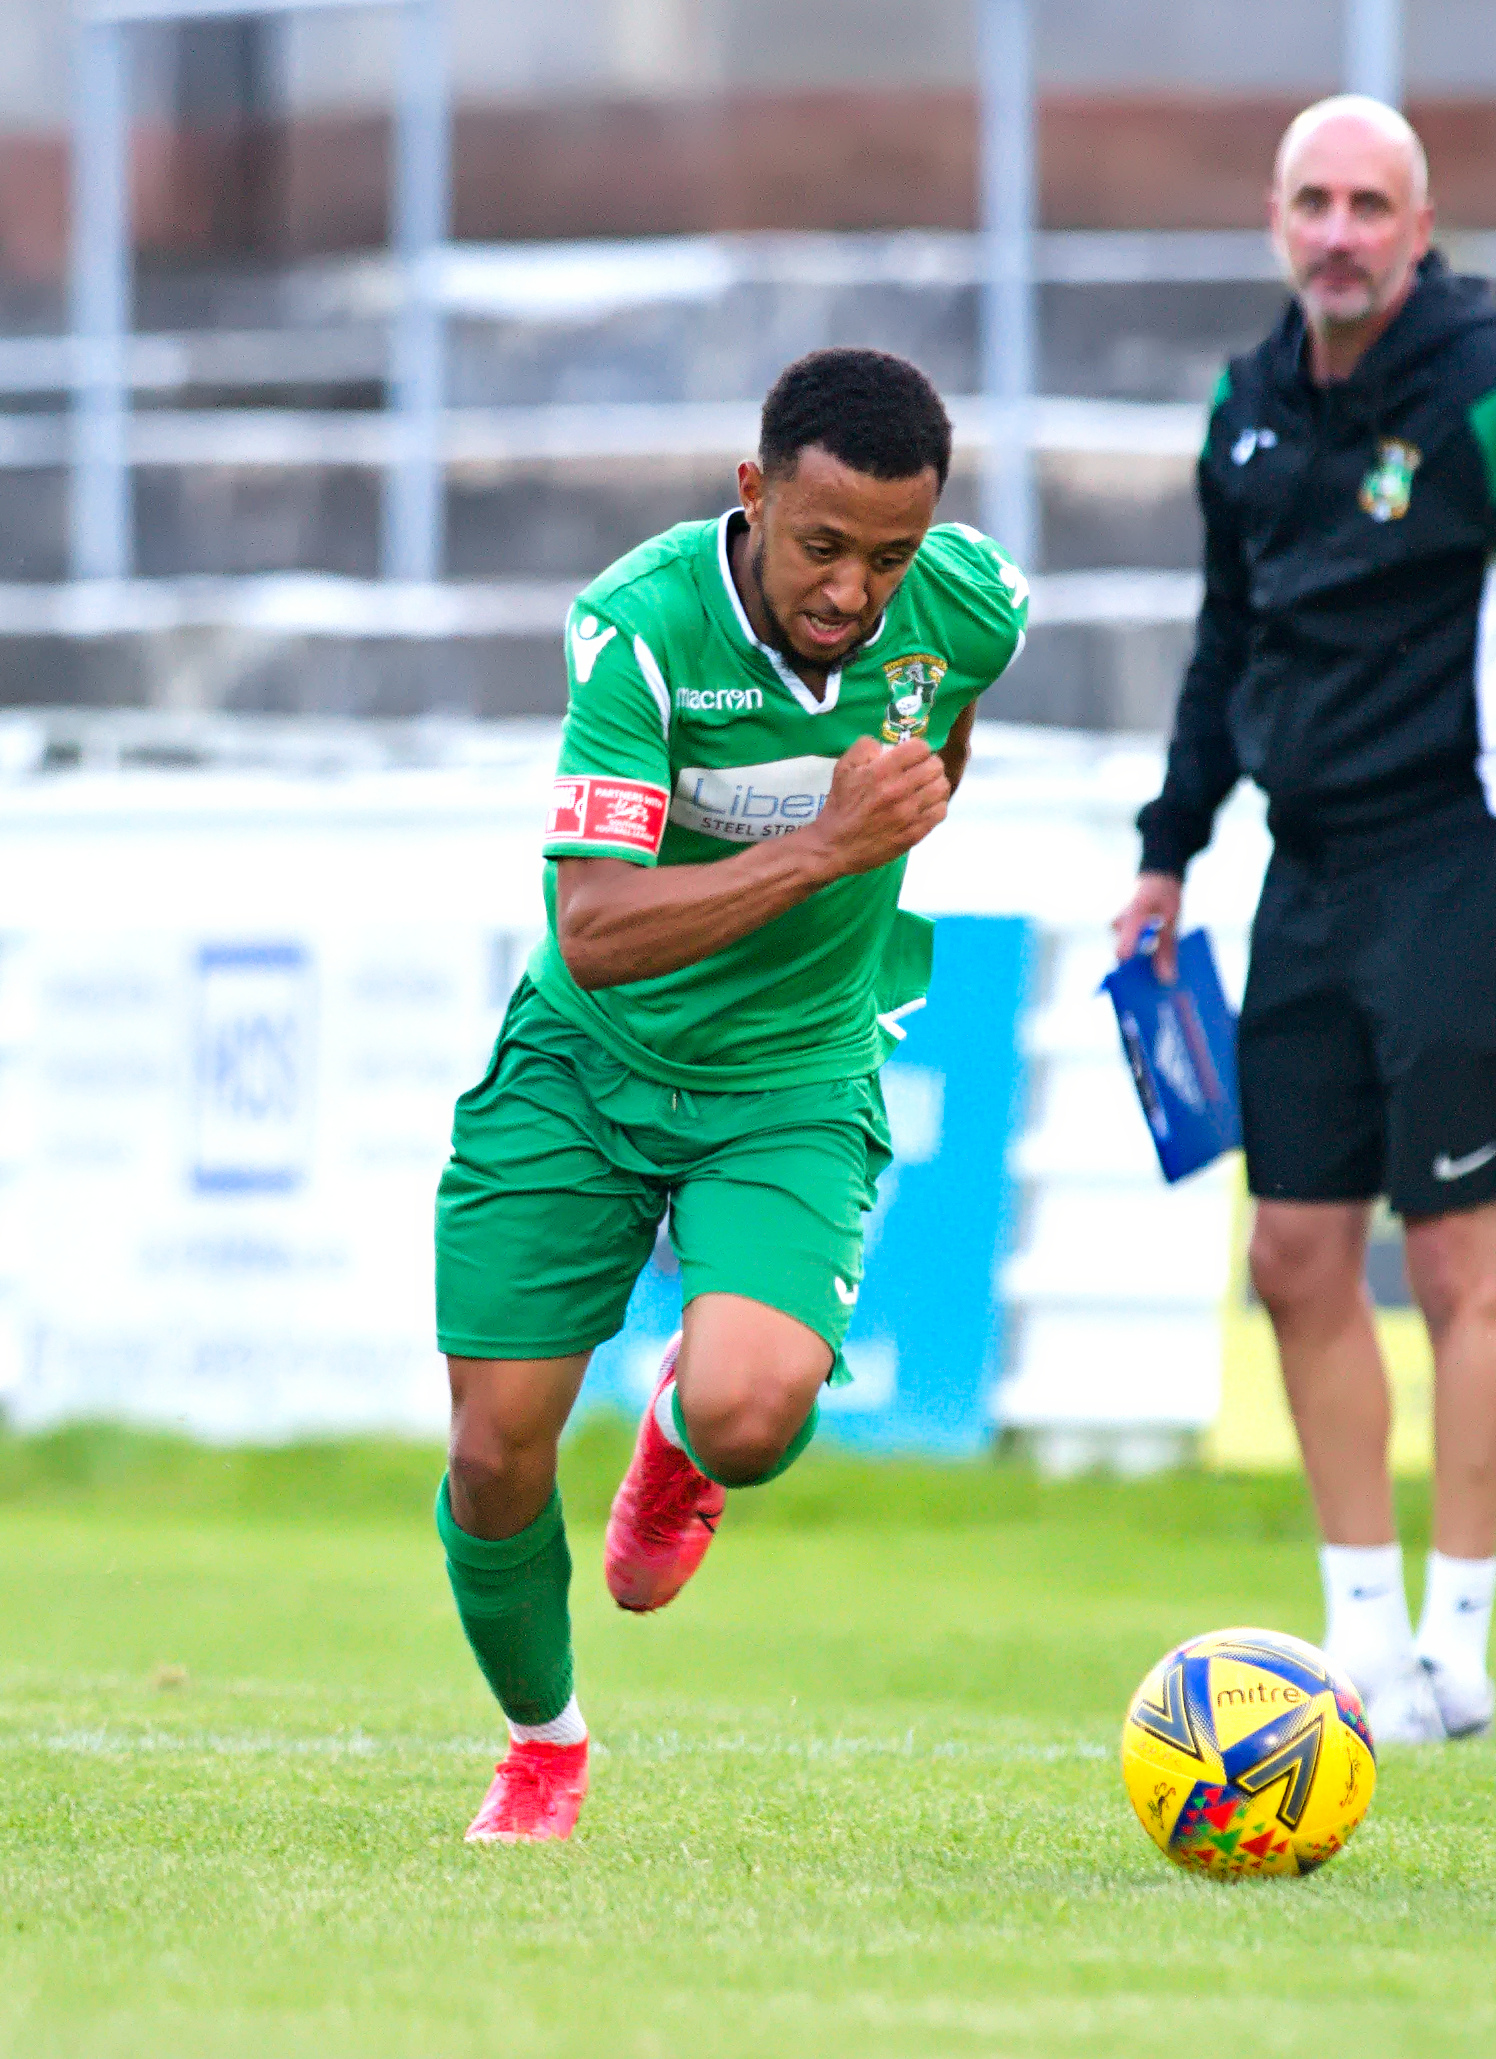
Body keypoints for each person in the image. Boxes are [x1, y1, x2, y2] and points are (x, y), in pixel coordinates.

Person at [1114, 97, 1496, 1744]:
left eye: (1366, 206)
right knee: (1291, 1253)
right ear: (1270, 218)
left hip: (1470, 865)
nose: (1335, 232)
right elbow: (1220, 644)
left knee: (1453, 1260)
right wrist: (1170, 844)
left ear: (1419, 220)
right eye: (1309, 202)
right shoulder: (1243, 411)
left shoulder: (1495, 403)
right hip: (1304, 877)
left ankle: (1458, 1648)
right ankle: (1360, 1647)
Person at [434, 347, 1029, 1840]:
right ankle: (544, 1745)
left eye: (888, 555)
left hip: (791, 1075)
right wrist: (827, 848)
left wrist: (878, 829)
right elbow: (598, 931)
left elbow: (932, 748)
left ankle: (680, 1447)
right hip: (586, 1065)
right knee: (497, 1452)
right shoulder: (636, 634)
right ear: (753, 493)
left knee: (753, 1411)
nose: (852, 590)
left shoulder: (967, 612)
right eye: (823, 547)